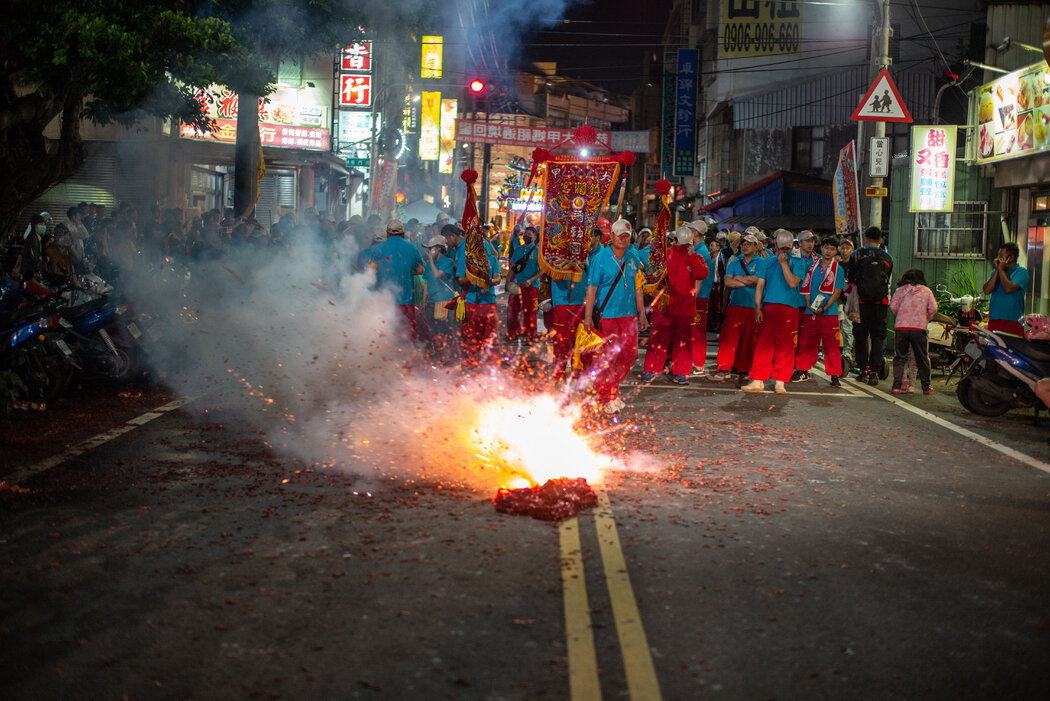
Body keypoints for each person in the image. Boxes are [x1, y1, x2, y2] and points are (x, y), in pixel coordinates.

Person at [583, 219, 648, 413]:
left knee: (630, 355)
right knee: (609, 358)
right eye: (619, 235)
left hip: (628, 317)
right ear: (611, 236)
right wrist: (587, 317)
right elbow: (591, 290)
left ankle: (606, 388)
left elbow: (638, 289)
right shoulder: (600, 258)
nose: (623, 239)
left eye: (626, 236)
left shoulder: (634, 258)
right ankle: (609, 396)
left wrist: (642, 314)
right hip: (608, 316)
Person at [743, 229, 808, 393]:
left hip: (788, 308)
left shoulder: (798, 263)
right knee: (765, 344)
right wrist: (758, 307)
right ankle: (759, 379)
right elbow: (760, 286)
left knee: (784, 346)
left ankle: (780, 381)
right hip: (770, 307)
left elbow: (793, 283)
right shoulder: (767, 262)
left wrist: (784, 263)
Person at [641, 225, 708, 385]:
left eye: (687, 245)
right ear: (675, 241)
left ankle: (681, 371)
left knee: (682, 342)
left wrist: (692, 256)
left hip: (684, 307)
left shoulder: (696, 257)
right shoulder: (665, 255)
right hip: (664, 306)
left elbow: (702, 274)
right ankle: (652, 369)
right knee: (659, 339)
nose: (684, 248)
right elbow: (652, 276)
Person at [889, 268, 954, 395]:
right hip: (919, 328)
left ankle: (896, 387)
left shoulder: (900, 290)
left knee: (900, 358)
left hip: (901, 328)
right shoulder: (926, 291)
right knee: (922, 357)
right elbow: (934, 308)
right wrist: (926, 318)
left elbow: (893, 306)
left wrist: (900, 316)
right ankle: (926, 387)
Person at [794, 236, 847, 386]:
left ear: (836, 251)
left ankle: (834, 375)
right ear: (821, 248)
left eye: (832, 249)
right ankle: (803, 369)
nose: (828, 251)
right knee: (806, 342)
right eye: (826, 248)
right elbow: (806, 287)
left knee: (831, 345)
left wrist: (824, 307)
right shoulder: (813, 266)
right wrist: (809, 304)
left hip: (829, 313)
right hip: (811, 311)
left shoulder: (839, 270)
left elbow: (837, 292)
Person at [714, 232, 763, 382]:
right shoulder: (735, 262)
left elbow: (759, 281)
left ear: (756, 246)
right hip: (735, 304)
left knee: (749, 339)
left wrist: (739, 280)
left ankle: (744, 367)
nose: (745, 246)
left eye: (748, 244)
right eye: (743, 244)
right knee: (728, 338)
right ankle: (724, 367)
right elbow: (728, 283)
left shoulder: (761, 263)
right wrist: (749, 281)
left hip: (753, 305)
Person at [849, 226, 893, 386]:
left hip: (860, 303)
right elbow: (887, 279)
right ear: (881, 240)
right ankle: (874, 372)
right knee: (877, 338)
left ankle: (862, 371)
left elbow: (852, 278)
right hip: (880, 304)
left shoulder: (856, 255)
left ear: (865, 239)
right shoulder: (888, 258)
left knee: (860, 337)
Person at [456, 227, 502, 370]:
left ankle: (491, 372)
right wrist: (474, 276)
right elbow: (461, 280)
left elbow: (497, 278)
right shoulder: (466, 260)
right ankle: (470, 370)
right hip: (470, 303)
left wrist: (490, 281)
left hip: (488, 303)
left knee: (491, 340)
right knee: (470, 340)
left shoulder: (492, 259)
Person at [372, 219, 425, 338]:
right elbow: (421, 270)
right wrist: (406, 270)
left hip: (385, 301)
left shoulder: (378, 248)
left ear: (387, 234)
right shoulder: (412, 247)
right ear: (403, 234)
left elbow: (370, 271)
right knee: (406, 336)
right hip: (406, 302)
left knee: (385, 337)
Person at [422, 234, 458, 362]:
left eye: (431, 248)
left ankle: (450, 356)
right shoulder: (428, 265)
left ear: (438, 248)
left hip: (443, 301)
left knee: (445, 329)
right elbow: (426, 282)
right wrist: (423, 300)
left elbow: (437, 275)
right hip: (432, 301)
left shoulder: (447, 262)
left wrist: (431, 261)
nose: (429, 250)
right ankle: (440, 355)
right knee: (434, 330)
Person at [982, 241, 1029, 336]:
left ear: (1011, 258)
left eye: (1001, 256)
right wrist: (997, 271)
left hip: (1012, 320)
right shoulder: (997, 271)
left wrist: (1001, 270)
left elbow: (1009, 288)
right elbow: (987, 290)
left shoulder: (1021, 272)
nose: (997, 258)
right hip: (995, 319)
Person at [688, 220, 714, 376]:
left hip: (698, 297)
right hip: (697, 296)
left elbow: (699, 278)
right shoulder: (698, 250)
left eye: (690, 231)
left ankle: (698, 364)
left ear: (696, 233)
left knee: (697, 332)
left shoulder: (700, 252)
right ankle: (695, 361)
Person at [511, 226, 541, 342]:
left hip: (532, 286)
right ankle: (514, 332)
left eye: (529, 234)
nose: (526, 236)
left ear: (534, 236)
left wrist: (531, 280)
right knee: (513, 310)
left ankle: (530, 335)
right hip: (517, 284)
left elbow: (542, 270)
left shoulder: (538, 251)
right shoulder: (518, 249)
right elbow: (512, 267)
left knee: (530, 312)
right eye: (525, 234)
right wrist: (509, 282)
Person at [836, 238, 856, 370]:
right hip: (837, 298)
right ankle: (837, 350)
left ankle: (847, 351)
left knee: (848, 327)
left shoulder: (855, 264)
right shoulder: (836, 264)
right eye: (842, 248)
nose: (844, 251)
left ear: (852, 250)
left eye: (847, 248)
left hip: (851, 298)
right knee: (837, 326)